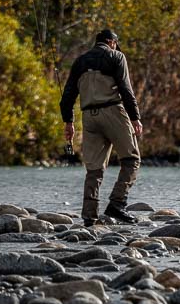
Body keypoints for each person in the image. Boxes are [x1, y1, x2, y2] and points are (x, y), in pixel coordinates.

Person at [60, 29, 143, 226]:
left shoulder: (80, 61)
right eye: (115, 44)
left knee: (94, 168)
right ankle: (117, 204)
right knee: (131, 159)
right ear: (111, 42)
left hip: (89, 117)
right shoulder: (117, 57)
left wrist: (69, 122)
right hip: (113, 111)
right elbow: (126, 89)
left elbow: (67, 96)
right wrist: (135, 118)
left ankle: (89, 216)